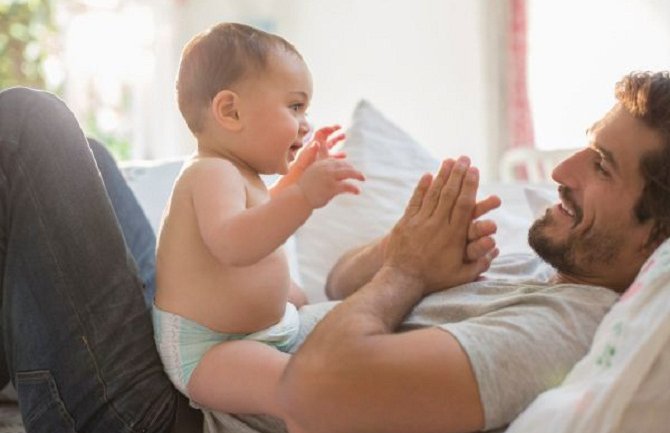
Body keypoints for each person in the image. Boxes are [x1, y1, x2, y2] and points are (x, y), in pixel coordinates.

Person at [0, 70, 666, 433]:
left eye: (602, 166)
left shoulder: (558, 334)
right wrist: (404, 251)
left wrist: (408, 271)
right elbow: (342, 287)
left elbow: (311, 394)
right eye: (586, 143)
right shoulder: (537, 267)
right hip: (195, 347)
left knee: (31, 131)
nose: (562, 170)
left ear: (654, 234)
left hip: (175, 414)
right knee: (80, 160)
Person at [152, 22, 367, 419]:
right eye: (295, 106)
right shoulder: (208, 173)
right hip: (212, 350)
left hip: (259, 330)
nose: (306, 123)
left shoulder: (238, 173)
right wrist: (303, 196)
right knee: (302, 391)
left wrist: (297, 177)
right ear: (231, 111)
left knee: (310, 306)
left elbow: (264, 212)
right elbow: (235, 244)